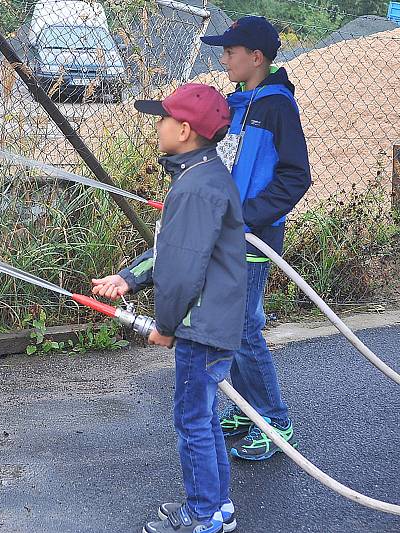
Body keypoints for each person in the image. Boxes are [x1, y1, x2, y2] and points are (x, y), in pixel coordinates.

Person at [92, 84, 246, 533]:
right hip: (214, 319)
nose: (156, 125)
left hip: (200, 325)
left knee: (191, 419)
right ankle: (217, 507)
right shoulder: (205, 175)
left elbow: (181, 270)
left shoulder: (194, 188)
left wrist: (166, 325)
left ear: (183, 129)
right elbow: (178, 250)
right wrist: (130, 277)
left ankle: (201, 517)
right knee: (204, 416)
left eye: (161, 119)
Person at [200, 16, 312, 461]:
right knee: (234, 327)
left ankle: (275, 420)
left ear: (256, 57)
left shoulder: (277, 107)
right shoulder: (238, 103)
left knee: (244, 328)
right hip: (225, 235)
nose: (223, 58)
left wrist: (248, 218)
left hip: (252, 240)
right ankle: (248, 411)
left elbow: (295, 176)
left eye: (230, 51)